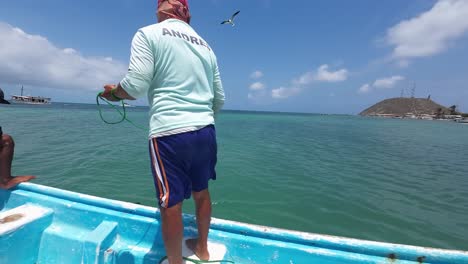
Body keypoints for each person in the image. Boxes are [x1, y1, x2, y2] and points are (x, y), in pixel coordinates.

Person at [99, 1, 225, 263]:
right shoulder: (207, 47)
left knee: (170, 203)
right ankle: (202, 249)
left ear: (160, 11)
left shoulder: (148, 33)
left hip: (170, 133)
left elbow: (134, 85)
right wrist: (201, 120)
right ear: (186, 15)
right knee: (201, 191)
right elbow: (219, 98)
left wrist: (112, 93)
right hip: (205, 131)